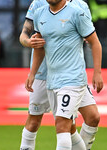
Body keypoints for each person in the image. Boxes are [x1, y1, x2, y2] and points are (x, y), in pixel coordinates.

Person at [20, 0, 102, 150]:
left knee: (68, 122)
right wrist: (32, 72)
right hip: (48, 77)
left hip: (73, 77)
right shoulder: (39, 10)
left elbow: (93, 40)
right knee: (62, 125)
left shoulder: (79, 9)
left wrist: (97, 72)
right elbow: (36, 42)